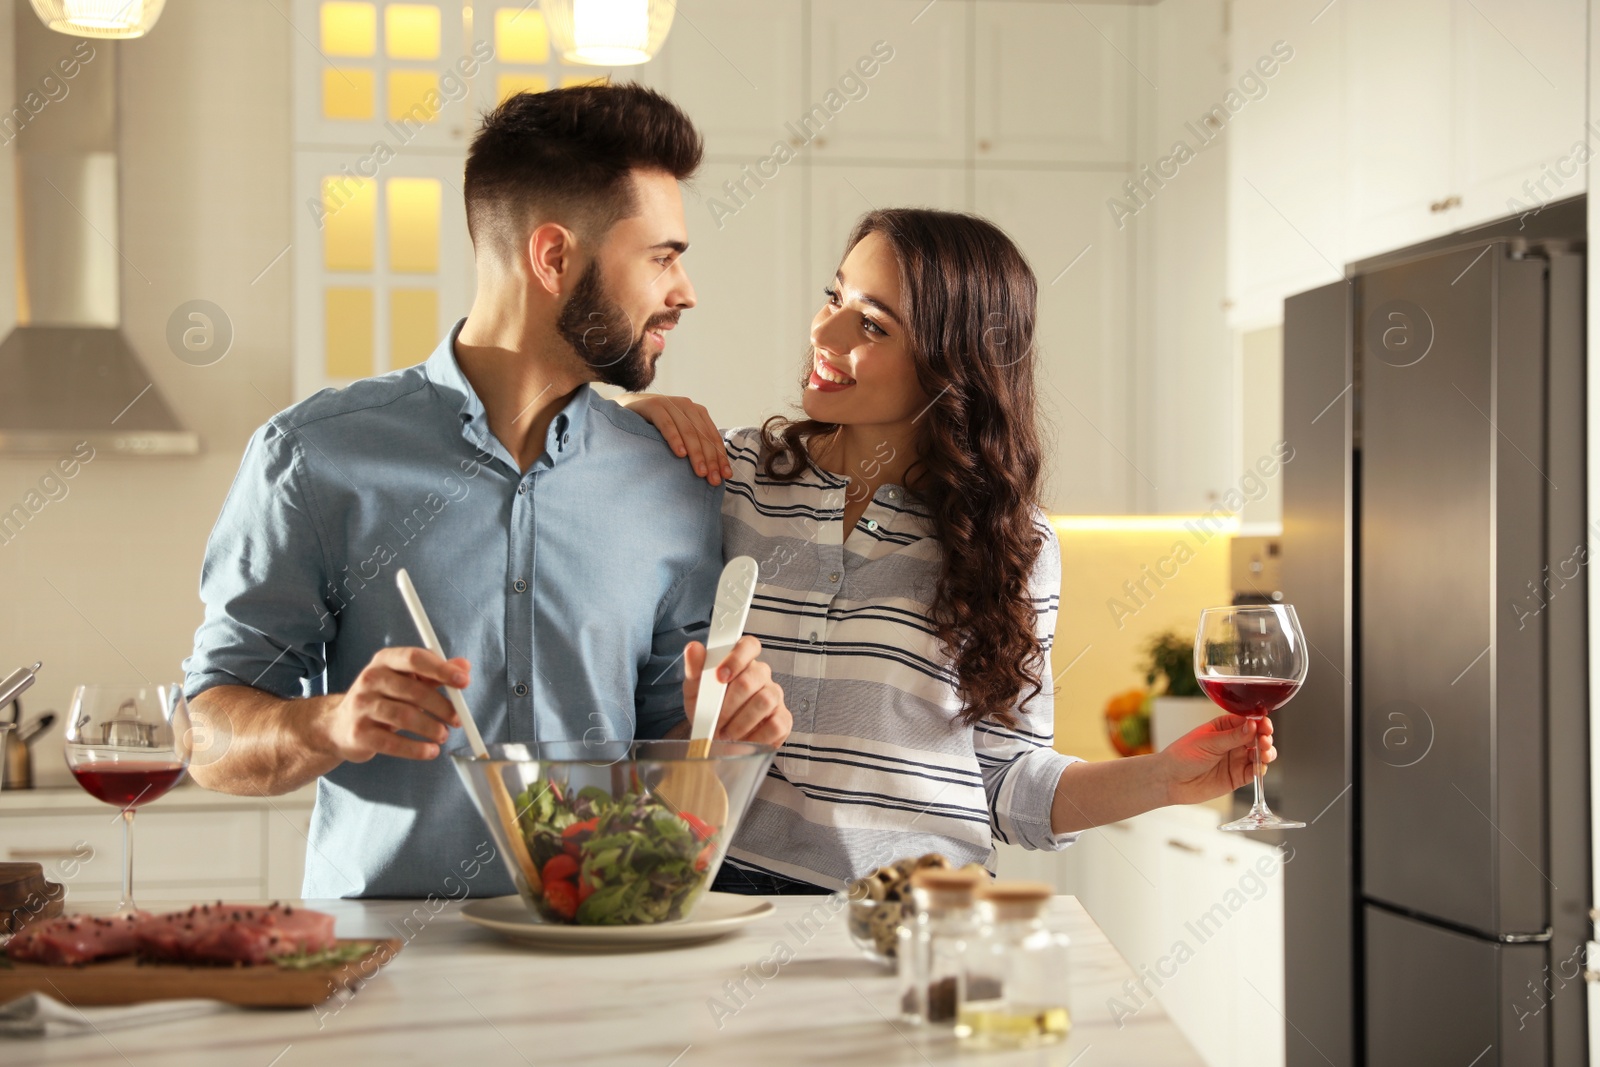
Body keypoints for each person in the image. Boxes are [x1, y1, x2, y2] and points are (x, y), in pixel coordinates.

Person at [183, 84, 790, 899]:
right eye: (662, 256)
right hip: (384, 979)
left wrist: (717, 734)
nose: (684, 291)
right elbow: (205, 735)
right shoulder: (314, 457)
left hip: (600, 961)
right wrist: (332, 722)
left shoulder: (671, 477)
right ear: (552, 257)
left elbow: (669, 768)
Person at [621, 208, 1275, 893]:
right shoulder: (730, 477)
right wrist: (631, 427)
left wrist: (1162, 779)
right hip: (724, 903)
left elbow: (1005, 776)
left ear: (950, 365)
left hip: (911, 921)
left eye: (872, 325)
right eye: (834, 297)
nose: (824, 330)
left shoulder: (1013, 543)